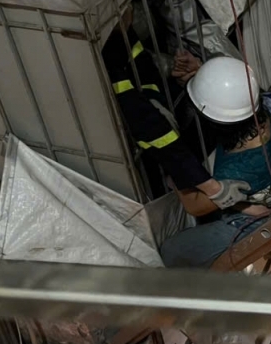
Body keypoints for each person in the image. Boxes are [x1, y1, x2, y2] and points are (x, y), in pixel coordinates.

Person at [160, 56, 271, 268]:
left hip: (255, 217)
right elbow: (237, 93)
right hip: (266, 187)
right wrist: (206, 79)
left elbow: (196, 205)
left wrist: (174, 166)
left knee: (172, 252)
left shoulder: (241, 170)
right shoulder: (268, 104)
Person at [101, 17, 247, 206]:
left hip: (151, 124)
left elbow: (143, 69)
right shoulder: (99, 54)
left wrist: (181, 85)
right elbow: (145, 122)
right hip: (119, 147)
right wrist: (213, 188)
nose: (128, 13)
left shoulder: (120, 29)